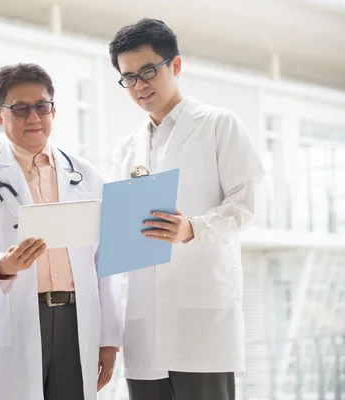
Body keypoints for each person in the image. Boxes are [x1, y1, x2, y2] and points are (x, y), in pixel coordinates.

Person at [107, 18, 265, 400]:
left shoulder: (219, 125)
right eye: (128, 77)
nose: (139, 85)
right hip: (145, 323)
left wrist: (192, 228)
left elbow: (245, 204)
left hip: (202, 318)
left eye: (148, 71)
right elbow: (116, 233)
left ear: (174, 66)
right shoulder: (126, 149)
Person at [0, 63, 123, 400]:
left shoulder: (87, 175)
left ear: (53, 111)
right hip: (17, 314)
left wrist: (110, 338)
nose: (33, 117)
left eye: (41, 107)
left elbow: (106, 262)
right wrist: (4, 264)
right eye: (19, 108)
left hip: (77, 320)